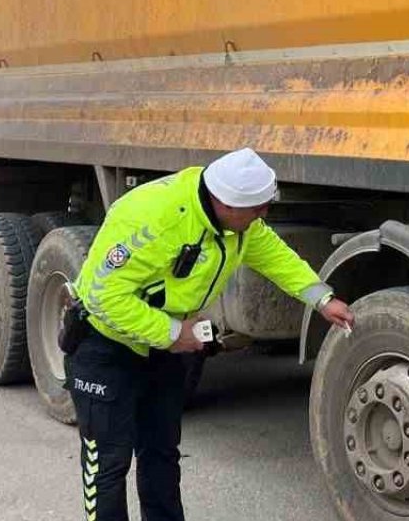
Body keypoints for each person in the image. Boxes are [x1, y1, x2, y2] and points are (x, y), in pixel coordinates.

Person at [65, 148, 354, 521]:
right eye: (256, 209)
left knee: (162, 455)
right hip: (105, 345)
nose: (262, 216)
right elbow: (103, 297)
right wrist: (172, 333)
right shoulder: (155, 220)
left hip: (164, 349)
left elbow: (275, 256)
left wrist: (322, 299)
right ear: (225, 202)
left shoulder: (239, 223)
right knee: (108, 462)